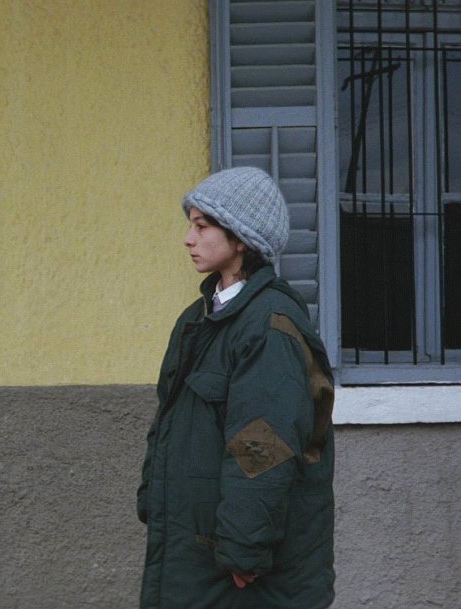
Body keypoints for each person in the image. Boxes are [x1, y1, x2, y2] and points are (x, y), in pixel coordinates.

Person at [137, 167, 335, 609]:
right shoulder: (198, 319)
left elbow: (263, 445)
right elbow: (169, 419)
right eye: (190, 225)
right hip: (193, 547)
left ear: (241, 239)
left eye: (201, 226)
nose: (188, 239)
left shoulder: (268, 326)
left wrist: (245, 549)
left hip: (240, 567)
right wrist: (153, 496)